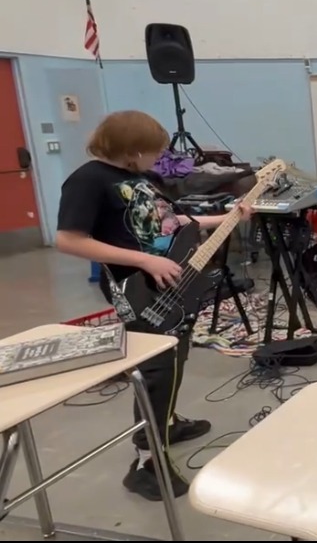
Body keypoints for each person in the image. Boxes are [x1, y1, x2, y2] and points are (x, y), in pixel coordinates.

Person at [55, 110, 253, 501]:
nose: (159, 158)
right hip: (136, 286)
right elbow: (69, 240)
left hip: (170, 281)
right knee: (157, 367)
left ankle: (168, 422)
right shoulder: (88, 180)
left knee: (176, 354)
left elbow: (173, 221)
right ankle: (146, 461)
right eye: (153, 152)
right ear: (132, 151)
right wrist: (145, 260)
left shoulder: (140, 178)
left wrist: (227, 217)